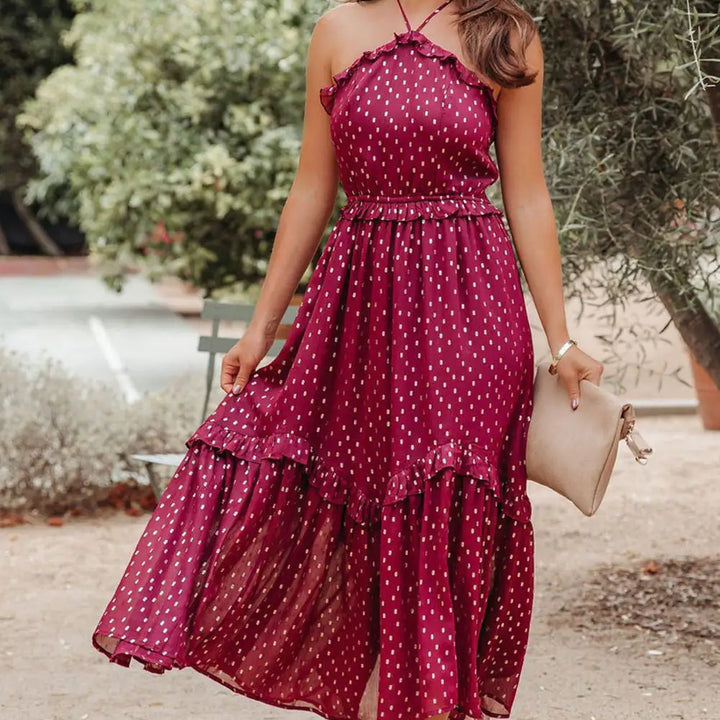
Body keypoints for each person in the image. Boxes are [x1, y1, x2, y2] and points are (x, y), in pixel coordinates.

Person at [92, 1, 604, 719]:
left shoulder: (506, 32)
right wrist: (260, 329)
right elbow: (312, 188)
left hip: (470, 308)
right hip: (358, 309)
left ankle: (427, 703)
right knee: (360, 498)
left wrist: (560, 337)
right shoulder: (337, 29)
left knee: (442, 504)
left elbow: (527, 191)